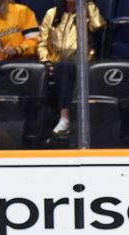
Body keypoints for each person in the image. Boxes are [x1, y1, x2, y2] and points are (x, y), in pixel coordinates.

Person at [37, 0, 105, 135]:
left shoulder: (87, 12)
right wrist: (46, 63)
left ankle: (65, 117)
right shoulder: (52, 13)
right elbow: (42, 43)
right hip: (55, 65)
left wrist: (87, 4)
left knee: (65, 67)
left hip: (83, 64)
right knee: (61, 67)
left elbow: (98, 26)